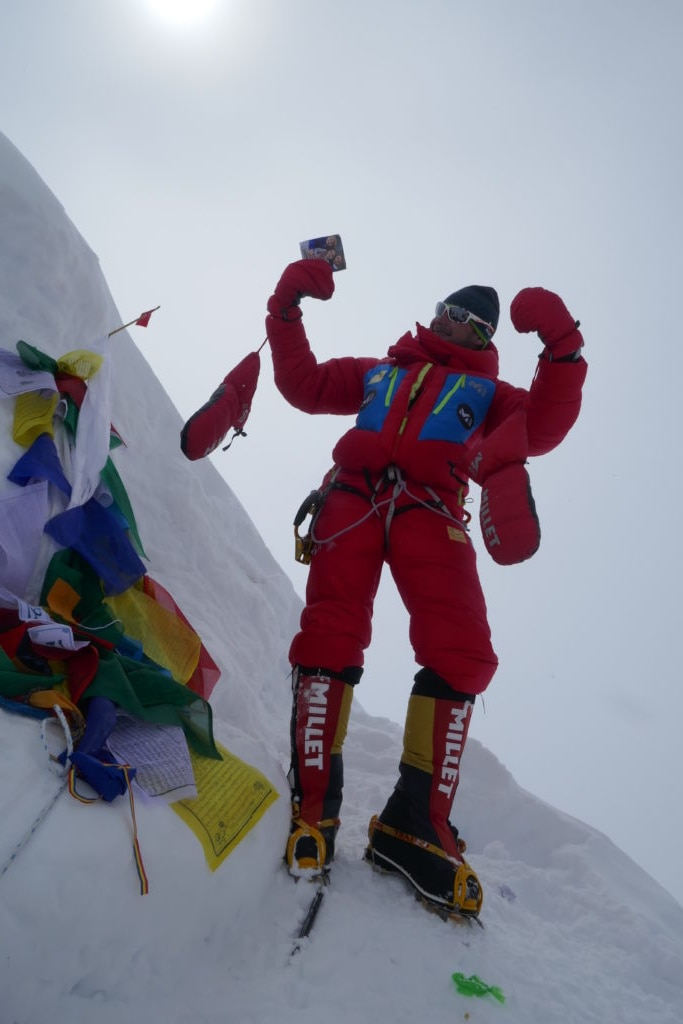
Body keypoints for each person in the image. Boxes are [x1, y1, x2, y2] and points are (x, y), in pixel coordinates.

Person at [265, 258, 587, 918]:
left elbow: (545, 426)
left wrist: (563, 349)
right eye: (450, 310)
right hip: (351, 498)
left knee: (461, 652)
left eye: (471, 321)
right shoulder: (379, 372)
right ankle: (314, 809)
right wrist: (287, 306)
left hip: (429, 508)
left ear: (484, 338)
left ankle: (412, 824)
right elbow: (302, 383)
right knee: (330, 634)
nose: (454, 322)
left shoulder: (489, 396)